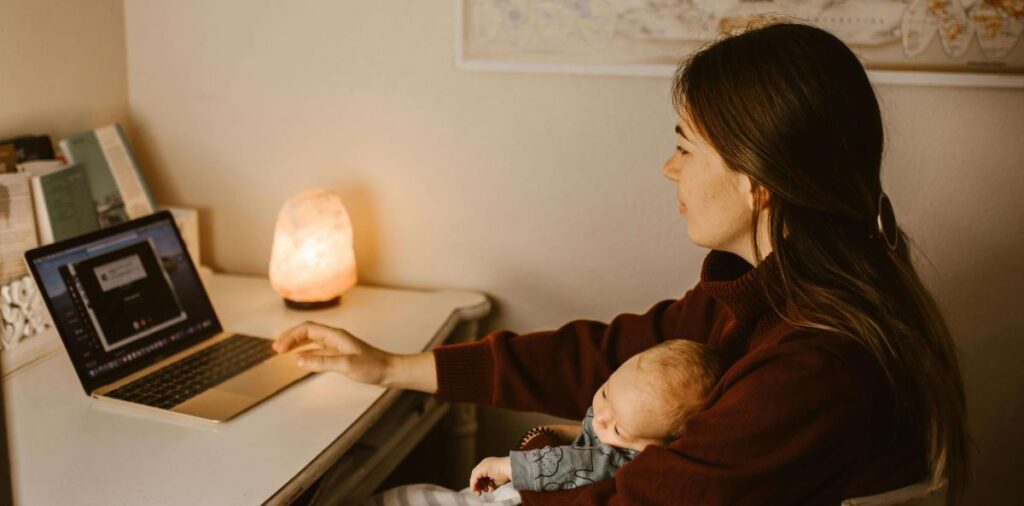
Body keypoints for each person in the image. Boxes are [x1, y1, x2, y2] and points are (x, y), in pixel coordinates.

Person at [274, 21, 970, 505]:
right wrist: (392, 366)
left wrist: (529, 475)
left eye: (686, 147)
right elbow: (605, 355)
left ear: (758, 183)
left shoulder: (813, 365)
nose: (669, 169)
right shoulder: (776, 296)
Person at [469, 340, 722, 494]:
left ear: (654, 448)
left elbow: (572, 463)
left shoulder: (620, 461)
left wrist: (507, 467)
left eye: (619, 430)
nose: (599, 418)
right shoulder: (615, 419)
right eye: (604, 393)